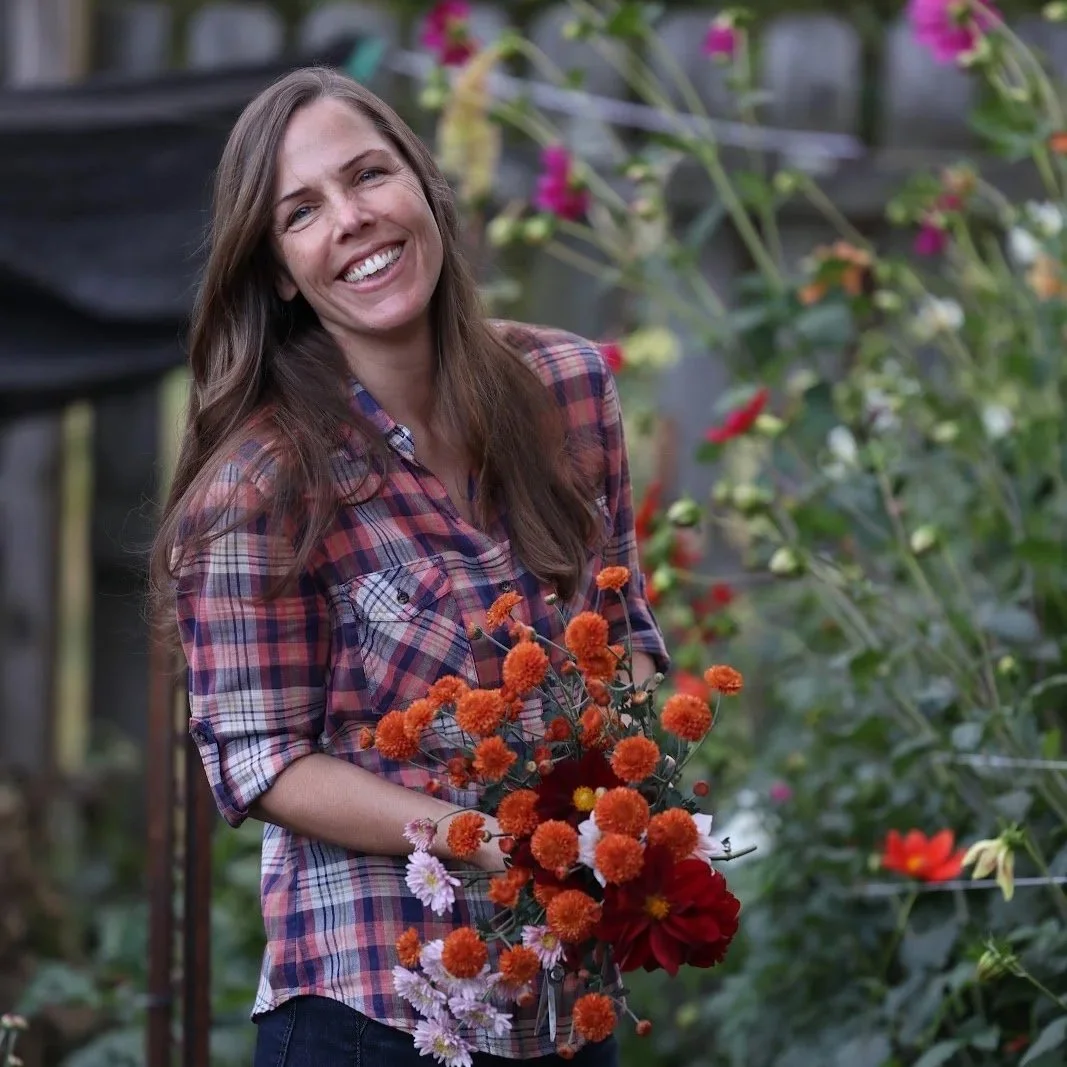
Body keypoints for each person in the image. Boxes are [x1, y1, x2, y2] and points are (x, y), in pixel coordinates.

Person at [152, 66, 668, 1067]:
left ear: (425, 187)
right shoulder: (258, 490)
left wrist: (629, 787)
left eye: (367, 175)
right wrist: (477, 834)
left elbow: (626, 631)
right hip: (372, 1011)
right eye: (301, 210)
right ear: (278, 271)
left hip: (566, 1002)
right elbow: (260, 757)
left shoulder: (564, 388)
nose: (350, 218)